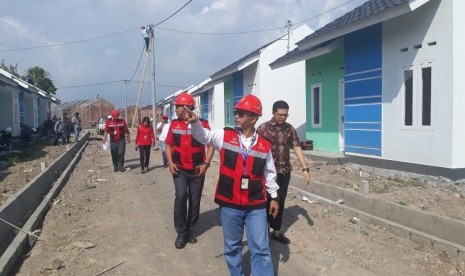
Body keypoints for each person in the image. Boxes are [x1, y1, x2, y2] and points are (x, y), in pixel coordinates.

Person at [187, 94, 280, 275]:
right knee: (232, 247)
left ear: (253, 118)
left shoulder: (264, 145)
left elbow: (270, 173)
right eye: (236, 112)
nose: (236, 116)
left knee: (261, 247)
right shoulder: (224, 135)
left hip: (256, 206)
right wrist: (195, 122)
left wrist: (274, 197)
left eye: (241, 113)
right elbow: (204, 137)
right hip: (229, 204)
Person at [165, 93, 215, 249]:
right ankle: (181, 232)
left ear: (185, 107)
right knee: (181, 196)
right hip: (179, 169)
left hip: (197, 170)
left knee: (195, 200)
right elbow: (169, 145)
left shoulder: (203, 124)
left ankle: (191, 231)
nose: (175, 110)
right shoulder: (174, 125)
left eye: (177, 107)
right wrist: (170, 162)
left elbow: (211, 145)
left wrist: (206, 164)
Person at [257, 100, 311, 245]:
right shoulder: (263, 128)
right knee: (265, 201)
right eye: (280, 114)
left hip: (284, 171)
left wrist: (305, 168)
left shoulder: (290, 129)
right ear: (273, 113)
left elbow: (297, 147)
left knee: (279, 200)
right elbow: (255, 149)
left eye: (285, 115)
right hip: (266, 172)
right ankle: (262, 231)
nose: (282, 117)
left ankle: (276, 231)